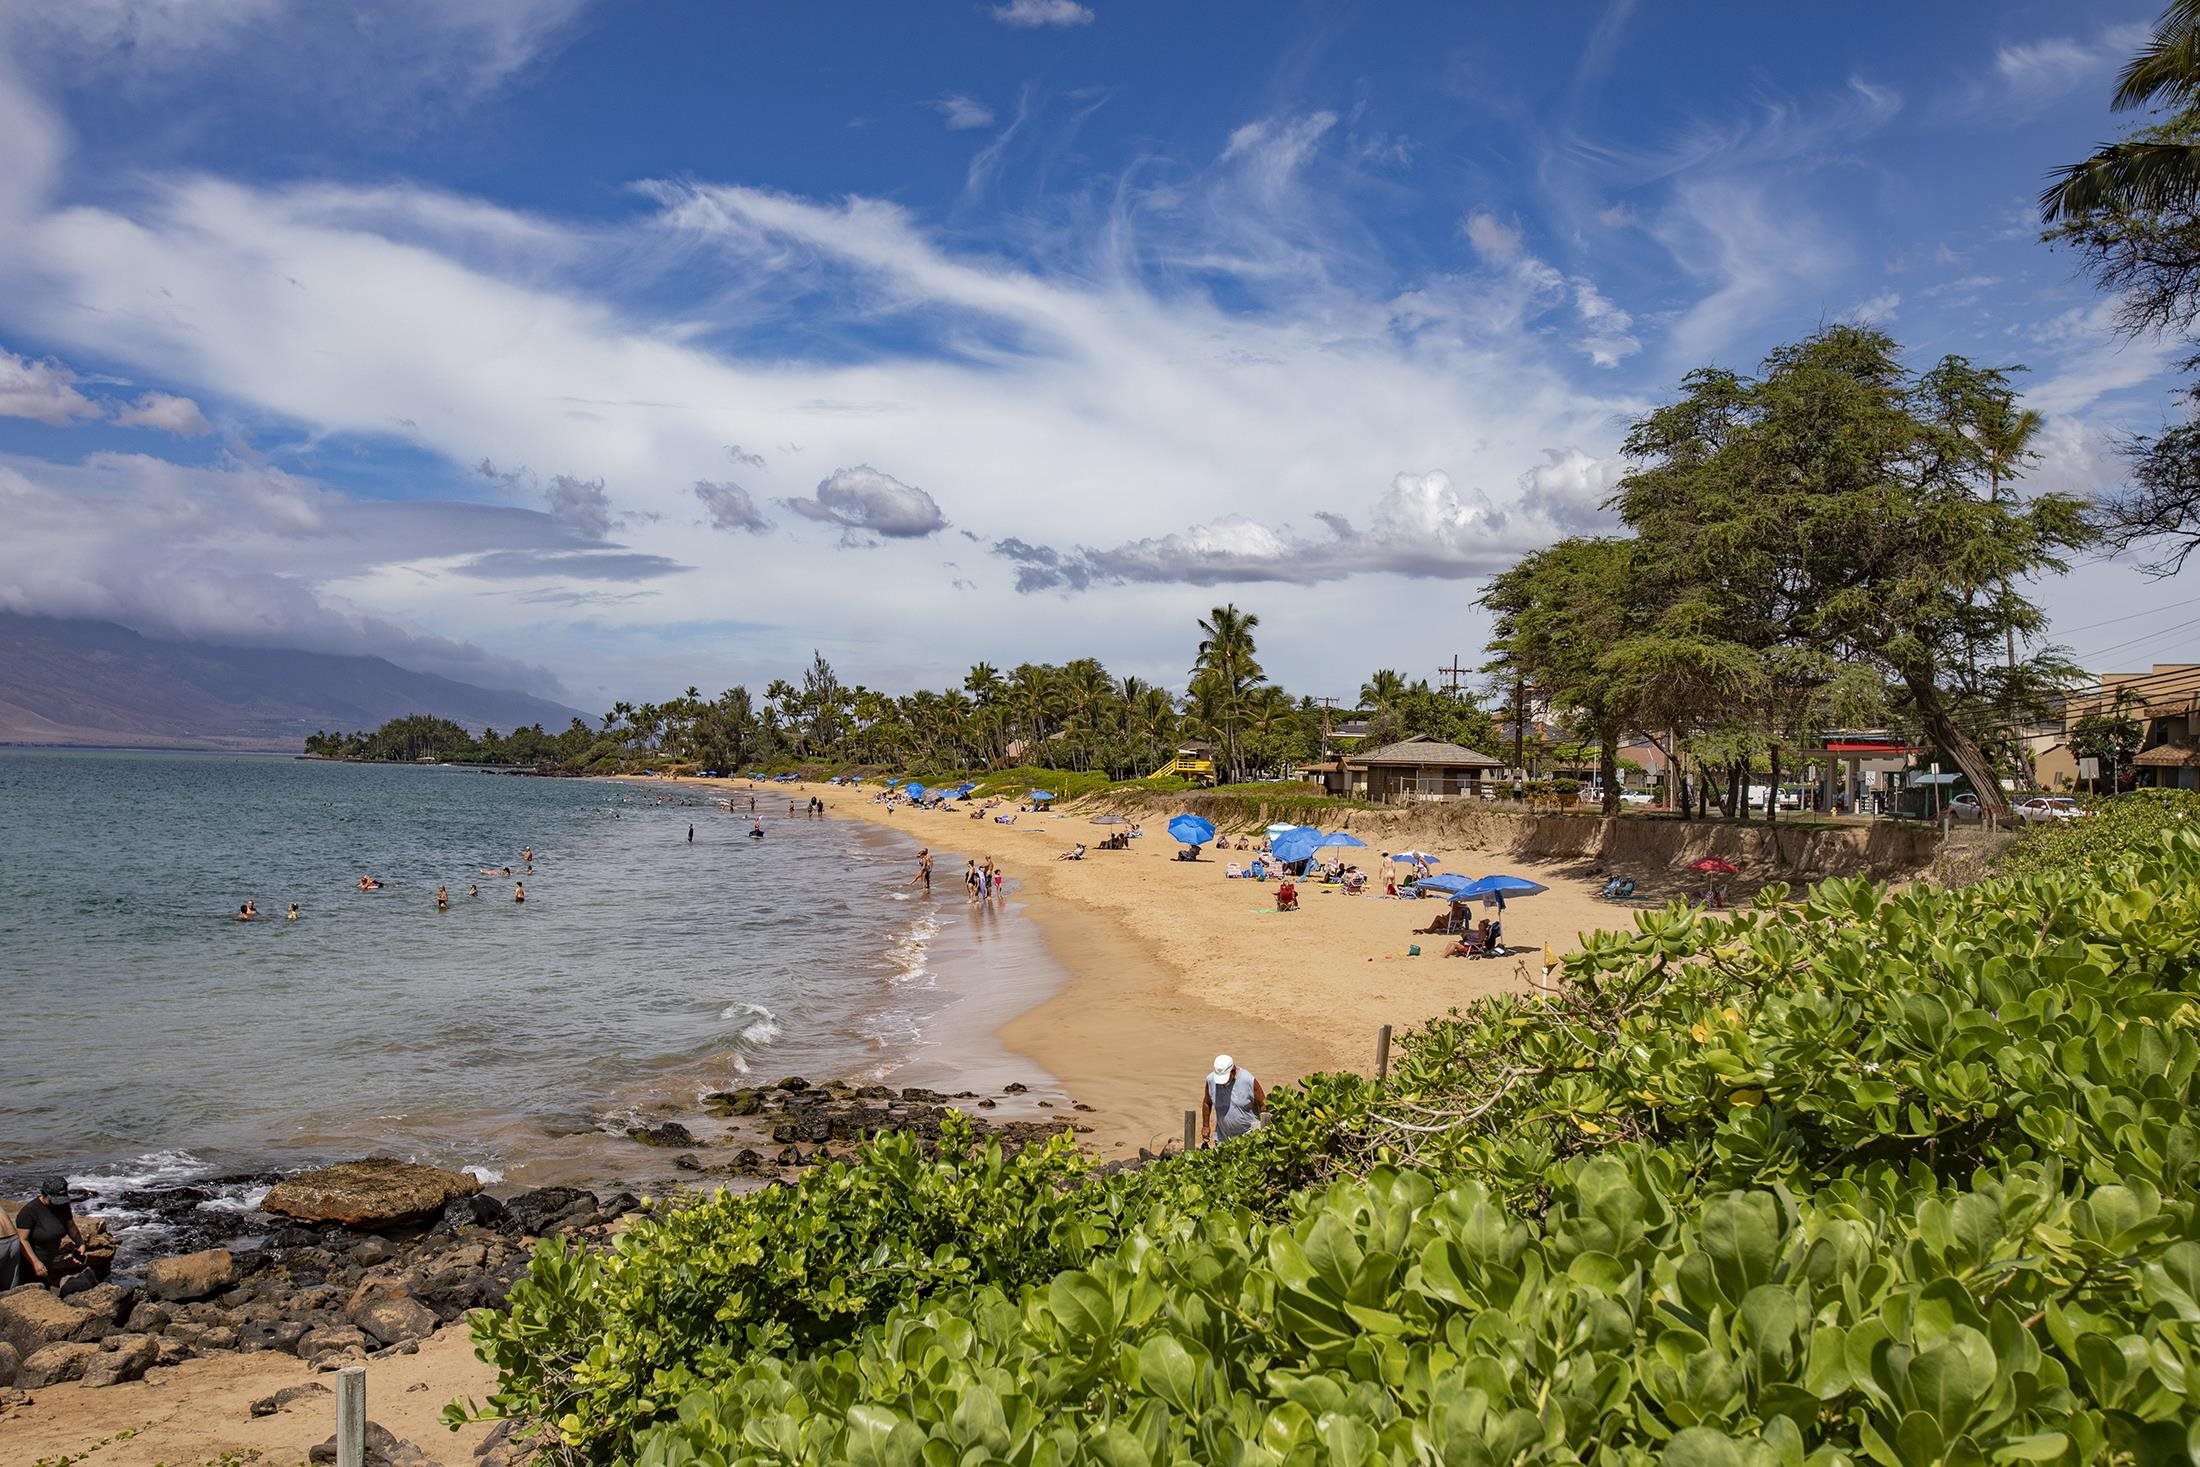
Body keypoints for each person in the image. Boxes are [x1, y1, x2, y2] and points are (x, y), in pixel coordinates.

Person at [12, 1177, 87, 1292]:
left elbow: (70, 1226)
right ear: (44, 1194)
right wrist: (35, 1262)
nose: (58, 1203)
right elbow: (22, 1240)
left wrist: (80, 1243)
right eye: (54, 1200)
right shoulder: (29, 1212)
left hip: (49, 1262)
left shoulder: (63, 1206)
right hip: (29, 1265)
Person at [1200, 1056, 1265, 1146]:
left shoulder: (1248, 1080)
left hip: (1249, 1136)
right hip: (1222, 1137)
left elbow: (1263, 1105)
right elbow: (1207, 1102)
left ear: (1233, 1070)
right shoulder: (1211, 1080)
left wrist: (1265, 1130)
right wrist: (1205, 1126)